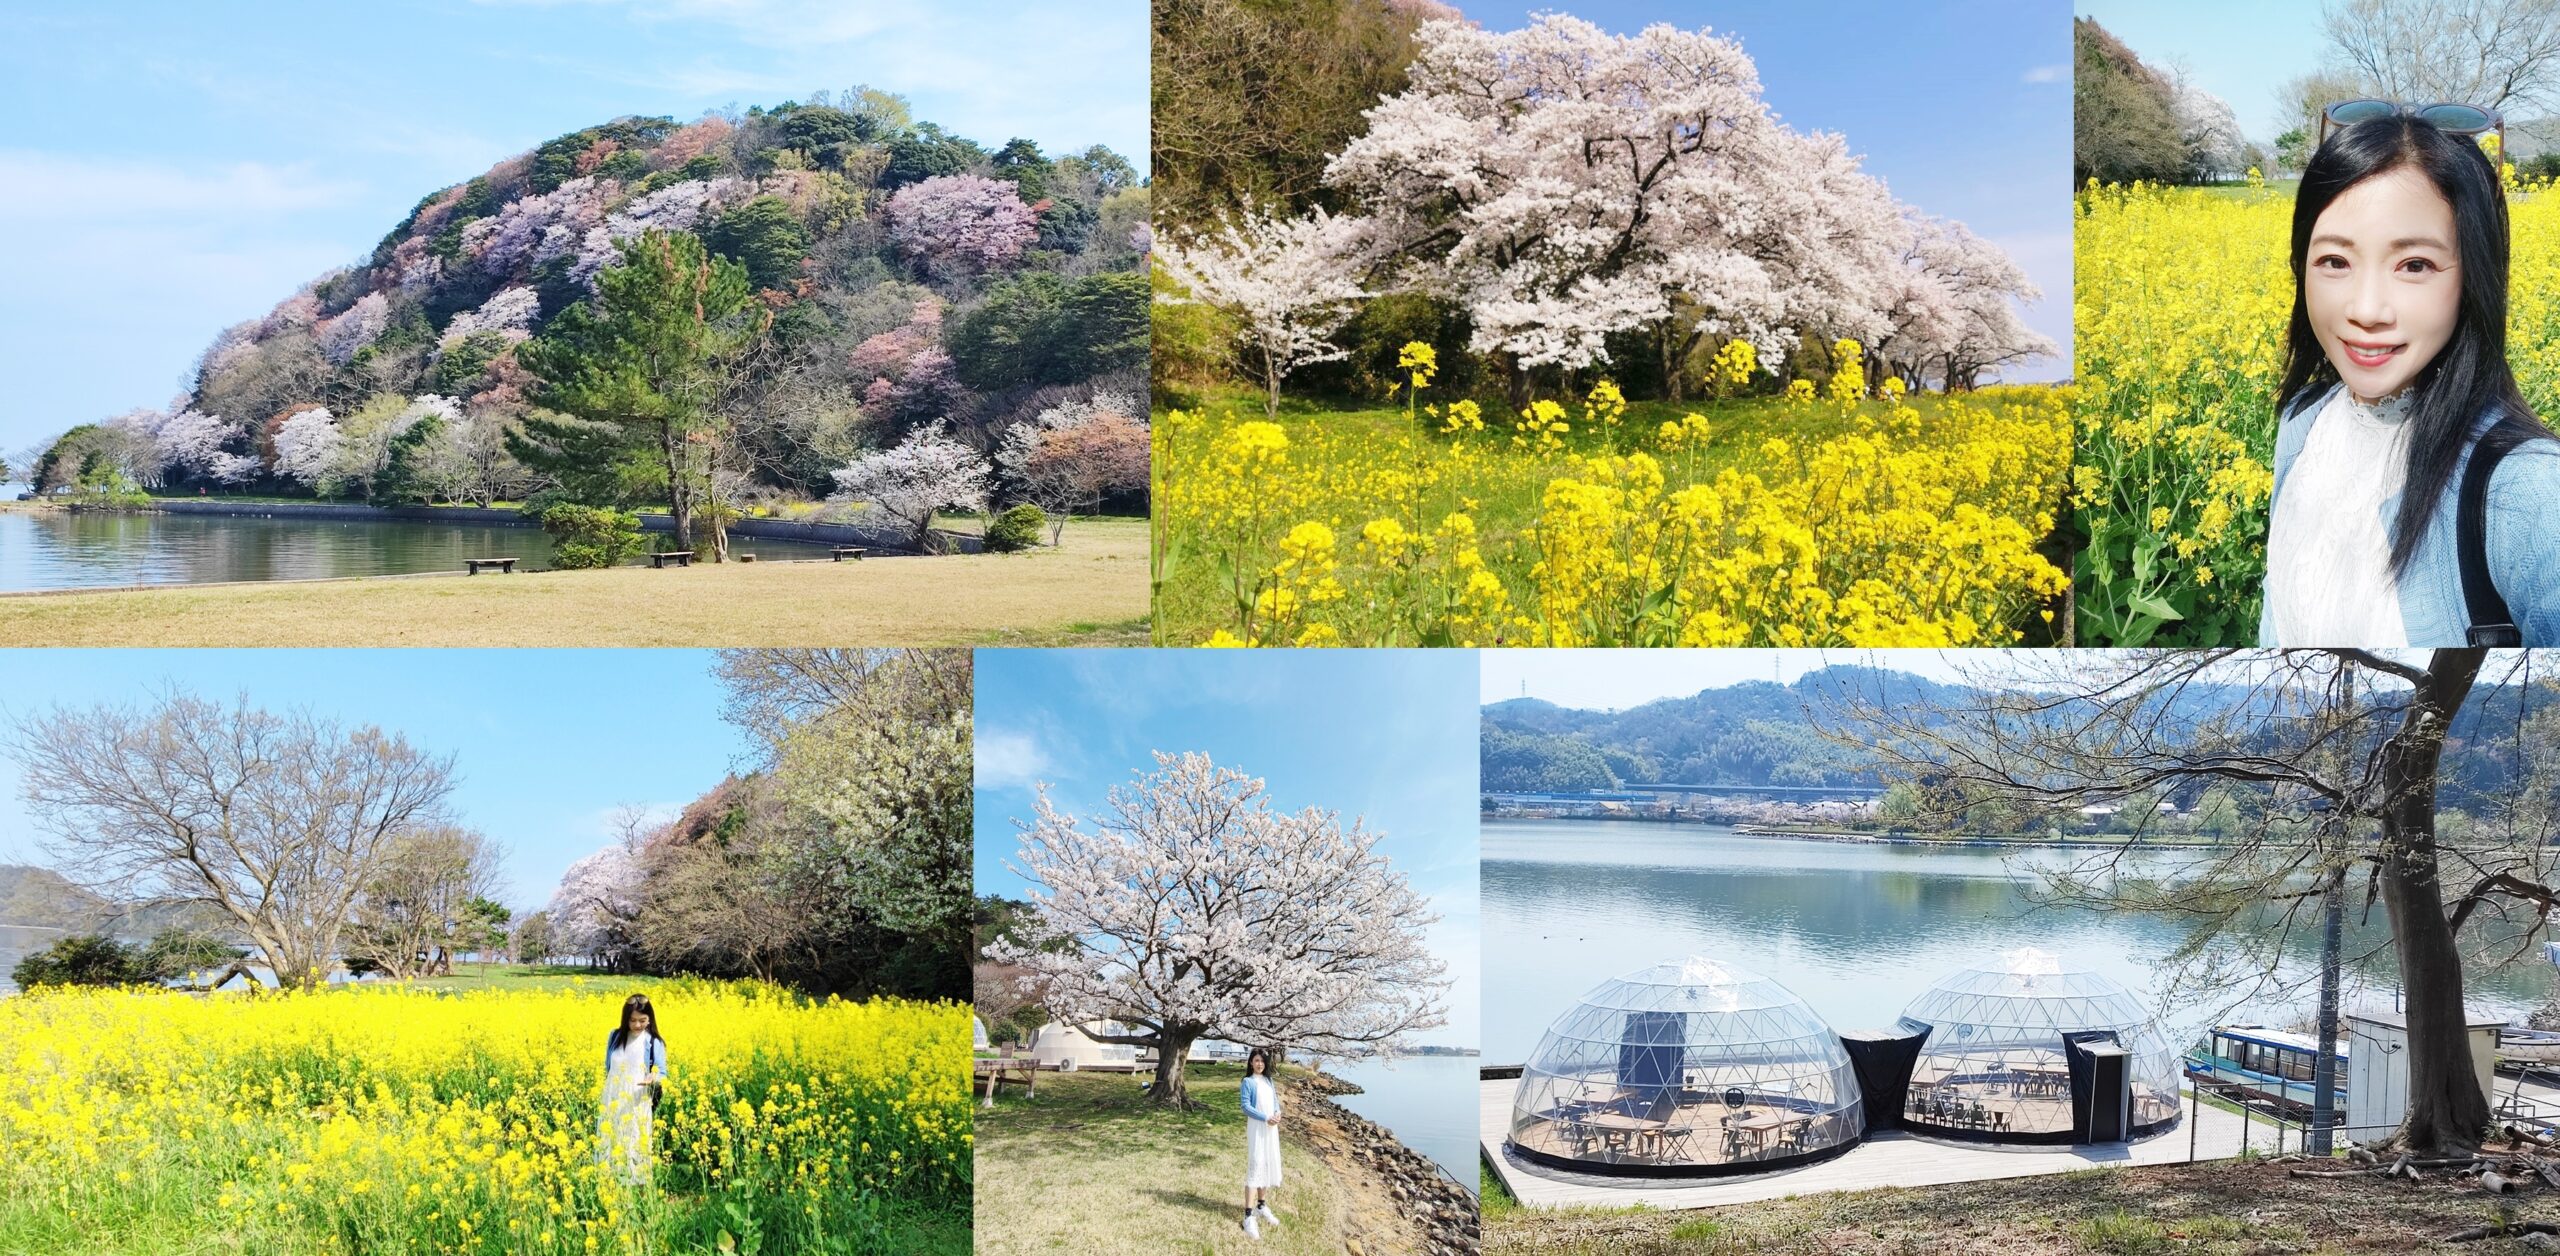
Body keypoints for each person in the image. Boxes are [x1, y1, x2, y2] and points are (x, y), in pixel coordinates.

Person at [2263, 106, 2560, 646]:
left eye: (2415, 265)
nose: (2368, 308)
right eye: (2334, 261)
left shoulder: (2531, 491)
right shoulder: (2302, 422)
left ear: (2474, 275)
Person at [599, 993, 668, 1185]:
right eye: (633, 1020)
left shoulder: (654, 1042)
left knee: (634, 1140)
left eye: (643, 1020)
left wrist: (653, 1077)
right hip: (612, 1096)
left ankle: (636, 1186)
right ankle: (610, 1182)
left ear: (650, 1019)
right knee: (611, 1137)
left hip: (637, 1097)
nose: (637, 1025)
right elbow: (608, 1066)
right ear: (625, 1019)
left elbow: (662, 1072)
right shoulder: (614, 1036)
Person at [1240, 1047, 1283, 1239]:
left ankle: (1261, 1206)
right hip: (1257, 1128)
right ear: (1251, 1062)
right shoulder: (1248, 1082)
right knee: (1256, 1164)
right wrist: (1266, 1117)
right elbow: (1246, 1106)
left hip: (1271, 1128)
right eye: (1256, 1060)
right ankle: (1248, 1216)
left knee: (1266, 1163)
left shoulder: (1268, 1080)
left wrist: (1277, 1113)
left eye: (1262, 1061)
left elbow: (1275, 1102)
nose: (1259, 1064)